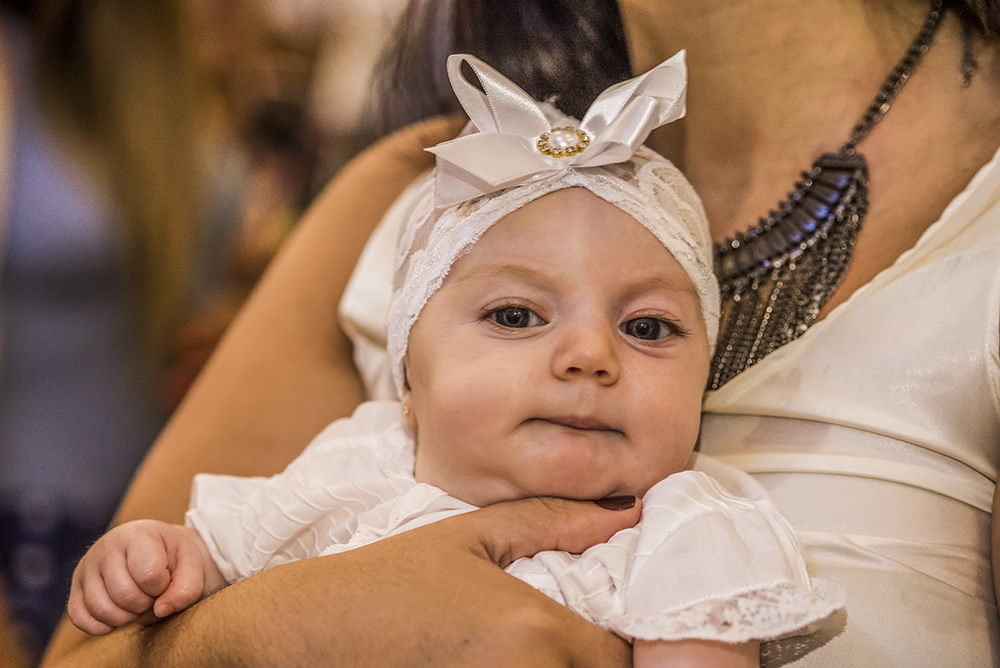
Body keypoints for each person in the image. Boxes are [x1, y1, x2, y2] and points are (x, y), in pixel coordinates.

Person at [40, 1, 1000, 667]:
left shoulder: (688, 531)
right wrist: (266, 619)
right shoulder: (425, 192)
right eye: (513, 317)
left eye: (650, 327)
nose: (585, 356)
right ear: (408, 385)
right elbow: (124, 622)